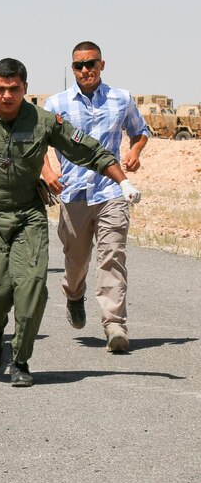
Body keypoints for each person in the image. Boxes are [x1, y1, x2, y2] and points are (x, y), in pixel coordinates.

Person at [0, 58, 142, 387]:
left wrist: (122, 181)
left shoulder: (43, 121)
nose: (7, 95)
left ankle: (21, 359)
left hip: (28, 215)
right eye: (0, 89)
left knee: (33, 288)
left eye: (13, 89)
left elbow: (88, 149)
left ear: (25, 88)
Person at [43, 41, 148, 353]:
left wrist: (135, 150)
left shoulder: (121, 99)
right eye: (79, 65)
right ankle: (74, 294)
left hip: (111, 191)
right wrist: (48, 171)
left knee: (112, 255)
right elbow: (37, 141)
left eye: (91, 63)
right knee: (76, 260)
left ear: (102, 64)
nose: (85, 70)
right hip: (73, 193)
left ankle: (114, 324)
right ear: (72, 68)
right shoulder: (56, 104)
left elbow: (140, 130)